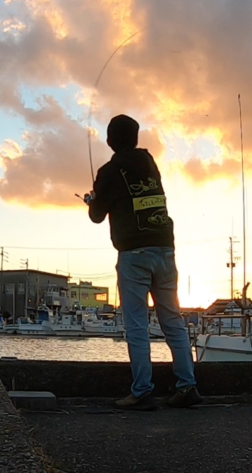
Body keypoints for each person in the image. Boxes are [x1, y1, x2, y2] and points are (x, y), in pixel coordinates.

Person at [83, 114, 201, 410]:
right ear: (136, 138)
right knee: (173, 321)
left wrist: (93, 199)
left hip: (133, 254)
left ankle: (141, 392)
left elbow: (97, 216)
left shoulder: (108, 171)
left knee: (137, 325)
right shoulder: (149, 162)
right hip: (165, 248)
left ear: (110, 141)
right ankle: (187, 387)